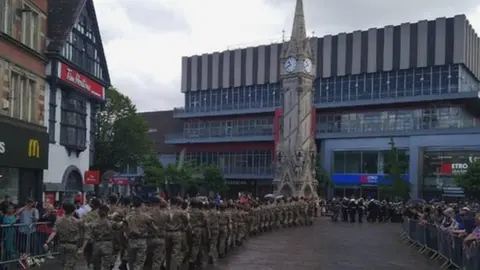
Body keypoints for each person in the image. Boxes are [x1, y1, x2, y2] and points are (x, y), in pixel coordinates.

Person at [44, 203, 83, 270]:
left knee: (63, 264)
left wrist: (47, 242)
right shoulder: (77, 221)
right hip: (72, 245)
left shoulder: (59, 220)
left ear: (64, 210)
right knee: (70, 265)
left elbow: (54, 232)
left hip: (62, 245)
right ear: (73, 211)